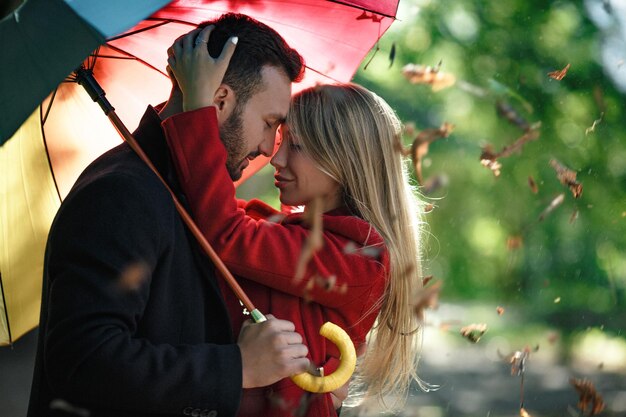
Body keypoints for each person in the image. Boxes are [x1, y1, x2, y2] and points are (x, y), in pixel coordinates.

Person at [27, 14, 311, 417]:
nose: (269, 148)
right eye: (269, 124)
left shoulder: (189, 194)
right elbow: (82, 359)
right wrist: (236, 367)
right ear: (220, 100)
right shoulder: (122, 193)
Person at [163, 30, 428, 416]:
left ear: (343, 161)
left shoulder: (360, 260)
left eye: (296, 146)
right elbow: (223, 216)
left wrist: (199, 108)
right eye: (279, 136)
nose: (276, 157)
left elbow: (227, 233)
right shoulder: (299, 237)